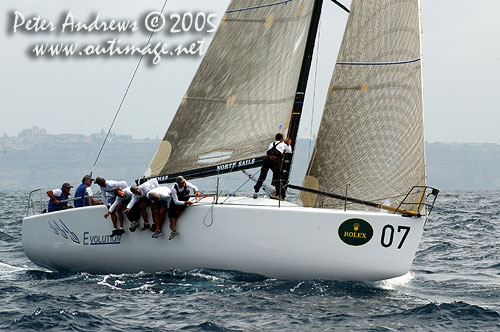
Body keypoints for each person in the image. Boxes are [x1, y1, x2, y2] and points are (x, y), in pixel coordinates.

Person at [253, 133, 292, 199]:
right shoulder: (283, 144)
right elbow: (289, 151)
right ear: (281, 139)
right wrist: (288, 144)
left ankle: (255, 192)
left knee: (262, 177)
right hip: (274, 161)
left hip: (266, 160)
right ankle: (278, 195)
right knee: (277, 177)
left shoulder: (271, 144)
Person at [168, 176, 200, 240]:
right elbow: (176, 201)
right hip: (176, 200)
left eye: (183, 182)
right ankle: (173, 231)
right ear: (177, 183)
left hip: (184, 197)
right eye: (181, 183)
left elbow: (194, 187)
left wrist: (196, 191)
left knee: (180, 209)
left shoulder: (186, 184)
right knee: (171, 212)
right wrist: (186, 202)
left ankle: (173, 223)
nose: (183, 184)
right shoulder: (173, 189)